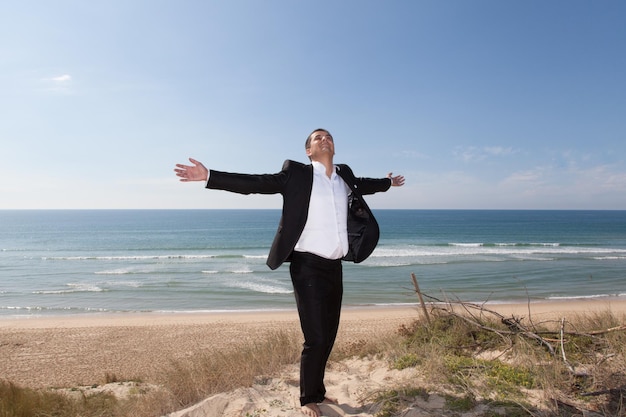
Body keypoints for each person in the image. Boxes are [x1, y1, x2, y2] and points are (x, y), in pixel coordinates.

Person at [174, 128, 405, 417]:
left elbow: (364, 185)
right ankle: (308, 398)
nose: (324, 140)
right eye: (317, 138)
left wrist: (388, 183)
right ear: (308, 151)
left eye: (328, 136)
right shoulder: (297, 174)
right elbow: (256, 183)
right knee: (316, 336)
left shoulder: (344, 176)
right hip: (307, 265)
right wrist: (210, 177)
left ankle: (318, 391)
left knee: (329, 334)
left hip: (334, 265)